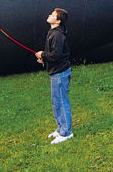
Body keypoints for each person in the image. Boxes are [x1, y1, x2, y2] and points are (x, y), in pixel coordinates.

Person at [35, 8, 73, 144]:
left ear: (58, 21)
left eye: (52, 15)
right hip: (56, 72)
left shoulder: (57, 35)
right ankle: (61, 128)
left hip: (60, 73)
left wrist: (43, 55)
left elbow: (56, 55)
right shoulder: (53, 32)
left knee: (61, 102)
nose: (49, 15)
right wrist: (44, 59)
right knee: (56, 102)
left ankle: (66, 132)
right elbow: (55, 53)